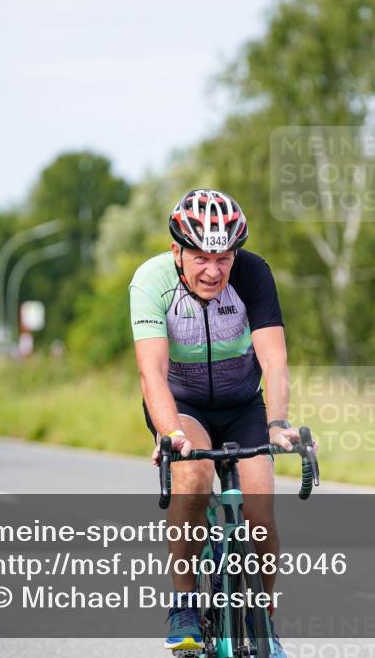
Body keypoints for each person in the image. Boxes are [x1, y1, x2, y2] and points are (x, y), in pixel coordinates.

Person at [130, 189, 296, 657]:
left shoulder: (254, 274)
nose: (213, 271)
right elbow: (152, 372)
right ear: (177, 251)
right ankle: (185, 604)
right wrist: (171, 434)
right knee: (195, 475)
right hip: (184, 406)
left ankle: (261, 619)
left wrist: (277, 424)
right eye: (201, 257)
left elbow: (275, 362)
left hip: (242, 404)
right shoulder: (151, 281)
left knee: (260, 513)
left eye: (223, 258)